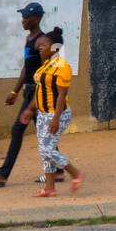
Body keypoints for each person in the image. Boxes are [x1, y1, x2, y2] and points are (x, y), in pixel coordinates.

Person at [0, 1, 63, 187]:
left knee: (18, 130)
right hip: (29, 92)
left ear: (37, 18)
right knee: (44, 133)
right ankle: (57, 171)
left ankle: (3, 174)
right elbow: (27, 68)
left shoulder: (43, 42)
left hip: (37, 93)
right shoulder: (29, 39)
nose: (23, 20)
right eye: (22, 16)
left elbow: (47, 71)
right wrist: (14, 91)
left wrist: (36, 98)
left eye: (26, 17)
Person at [25, 27, 83, 197]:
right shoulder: (46, 66)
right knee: (45, 151)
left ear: (55, 48)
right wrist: (30, 109)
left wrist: (56, 118)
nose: (40, 46)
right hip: (43, 114)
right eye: (40, 44)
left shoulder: (62, 66)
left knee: (47, 150)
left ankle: (75, 173)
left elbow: (61, 95)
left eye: (45, 44)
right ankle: (49, 188)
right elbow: (41, 91)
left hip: (57, 114)